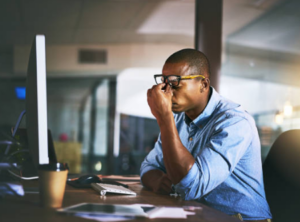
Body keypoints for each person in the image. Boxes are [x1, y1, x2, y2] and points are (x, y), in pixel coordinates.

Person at [140, 48, 272, 221]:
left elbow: (190, 186)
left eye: (174, 82)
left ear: (203, 84)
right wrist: (158, 181)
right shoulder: (178, 119)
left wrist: (164, 118)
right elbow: (148, 166)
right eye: (163, 81)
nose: (166, 90)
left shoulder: (235, 122)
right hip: (200, 216)